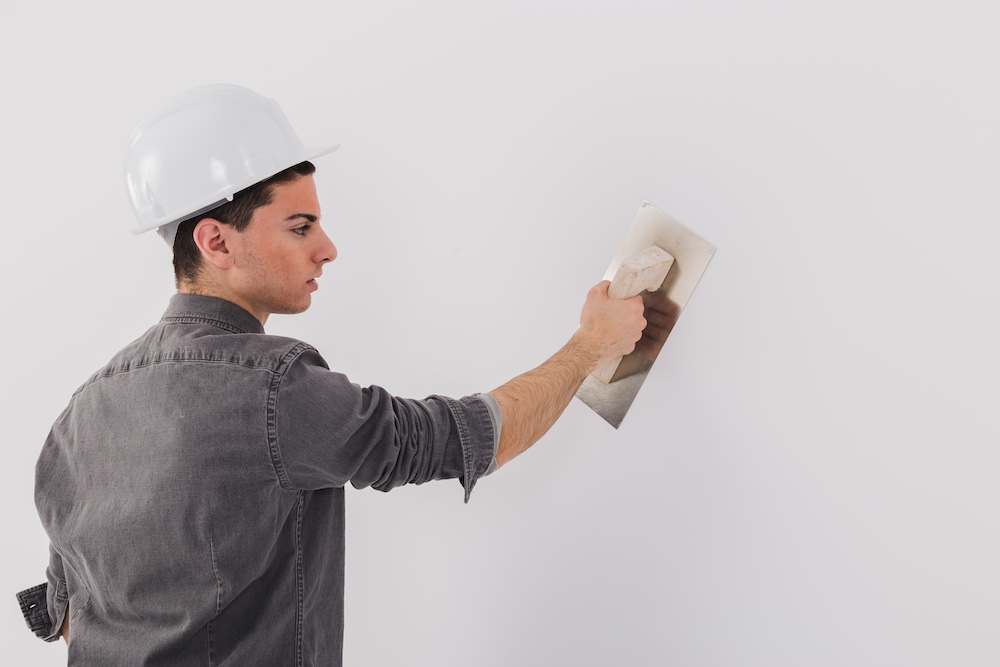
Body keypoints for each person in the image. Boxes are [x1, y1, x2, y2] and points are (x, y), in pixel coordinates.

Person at [16, 84, 646, 665]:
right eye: (301, 227)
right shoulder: (271, 389)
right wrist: (590, 344)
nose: (328, 248)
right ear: (216, 242)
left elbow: (68, 617)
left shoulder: (77, 416)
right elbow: (462, 438)